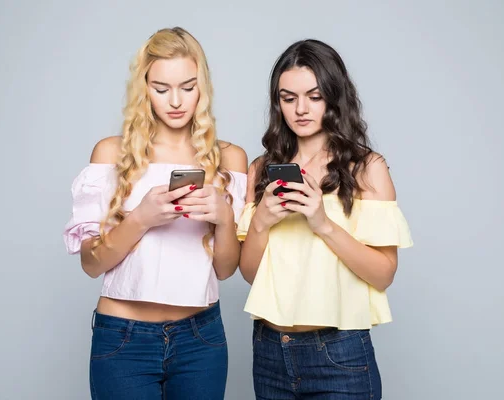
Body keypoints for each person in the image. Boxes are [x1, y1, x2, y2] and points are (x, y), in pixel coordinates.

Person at [63, 27, 247, 400]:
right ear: (143, 88)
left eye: (188, 87)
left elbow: (225, 270)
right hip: (123, 337)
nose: (175, 101)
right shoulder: (111, 154)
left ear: (203, 88)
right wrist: (141, 218)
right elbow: (91, 264)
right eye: (161, 89)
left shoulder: (229, 158)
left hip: (200, 338)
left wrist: (225, 218)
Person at [237, 39, 413, 399]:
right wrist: (261, 223)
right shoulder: (261, 170)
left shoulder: (367, 168)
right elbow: (252, 275)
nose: (301, 109)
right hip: (270, 351)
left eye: (314, 96)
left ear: (334, 97)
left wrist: (322, 223)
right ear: (278, 103)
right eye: (288, 98)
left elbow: (383, 274)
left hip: (338, 354)